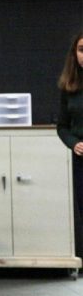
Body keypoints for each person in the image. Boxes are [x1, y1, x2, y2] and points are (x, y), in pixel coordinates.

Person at [57, 30, 83, 258]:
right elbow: (62, 126)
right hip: (81, 160)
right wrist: (74, 143)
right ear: (74, 54)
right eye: (81, 50)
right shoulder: (69, 87)